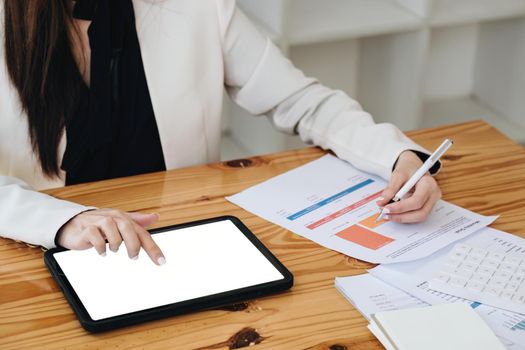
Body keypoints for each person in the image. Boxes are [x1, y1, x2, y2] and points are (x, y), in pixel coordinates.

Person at [0, 0, 441, 266]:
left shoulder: (199, 6)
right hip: (39, 253)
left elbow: (303, 101)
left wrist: (399, 156)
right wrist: (63, 221)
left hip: (179, 245)